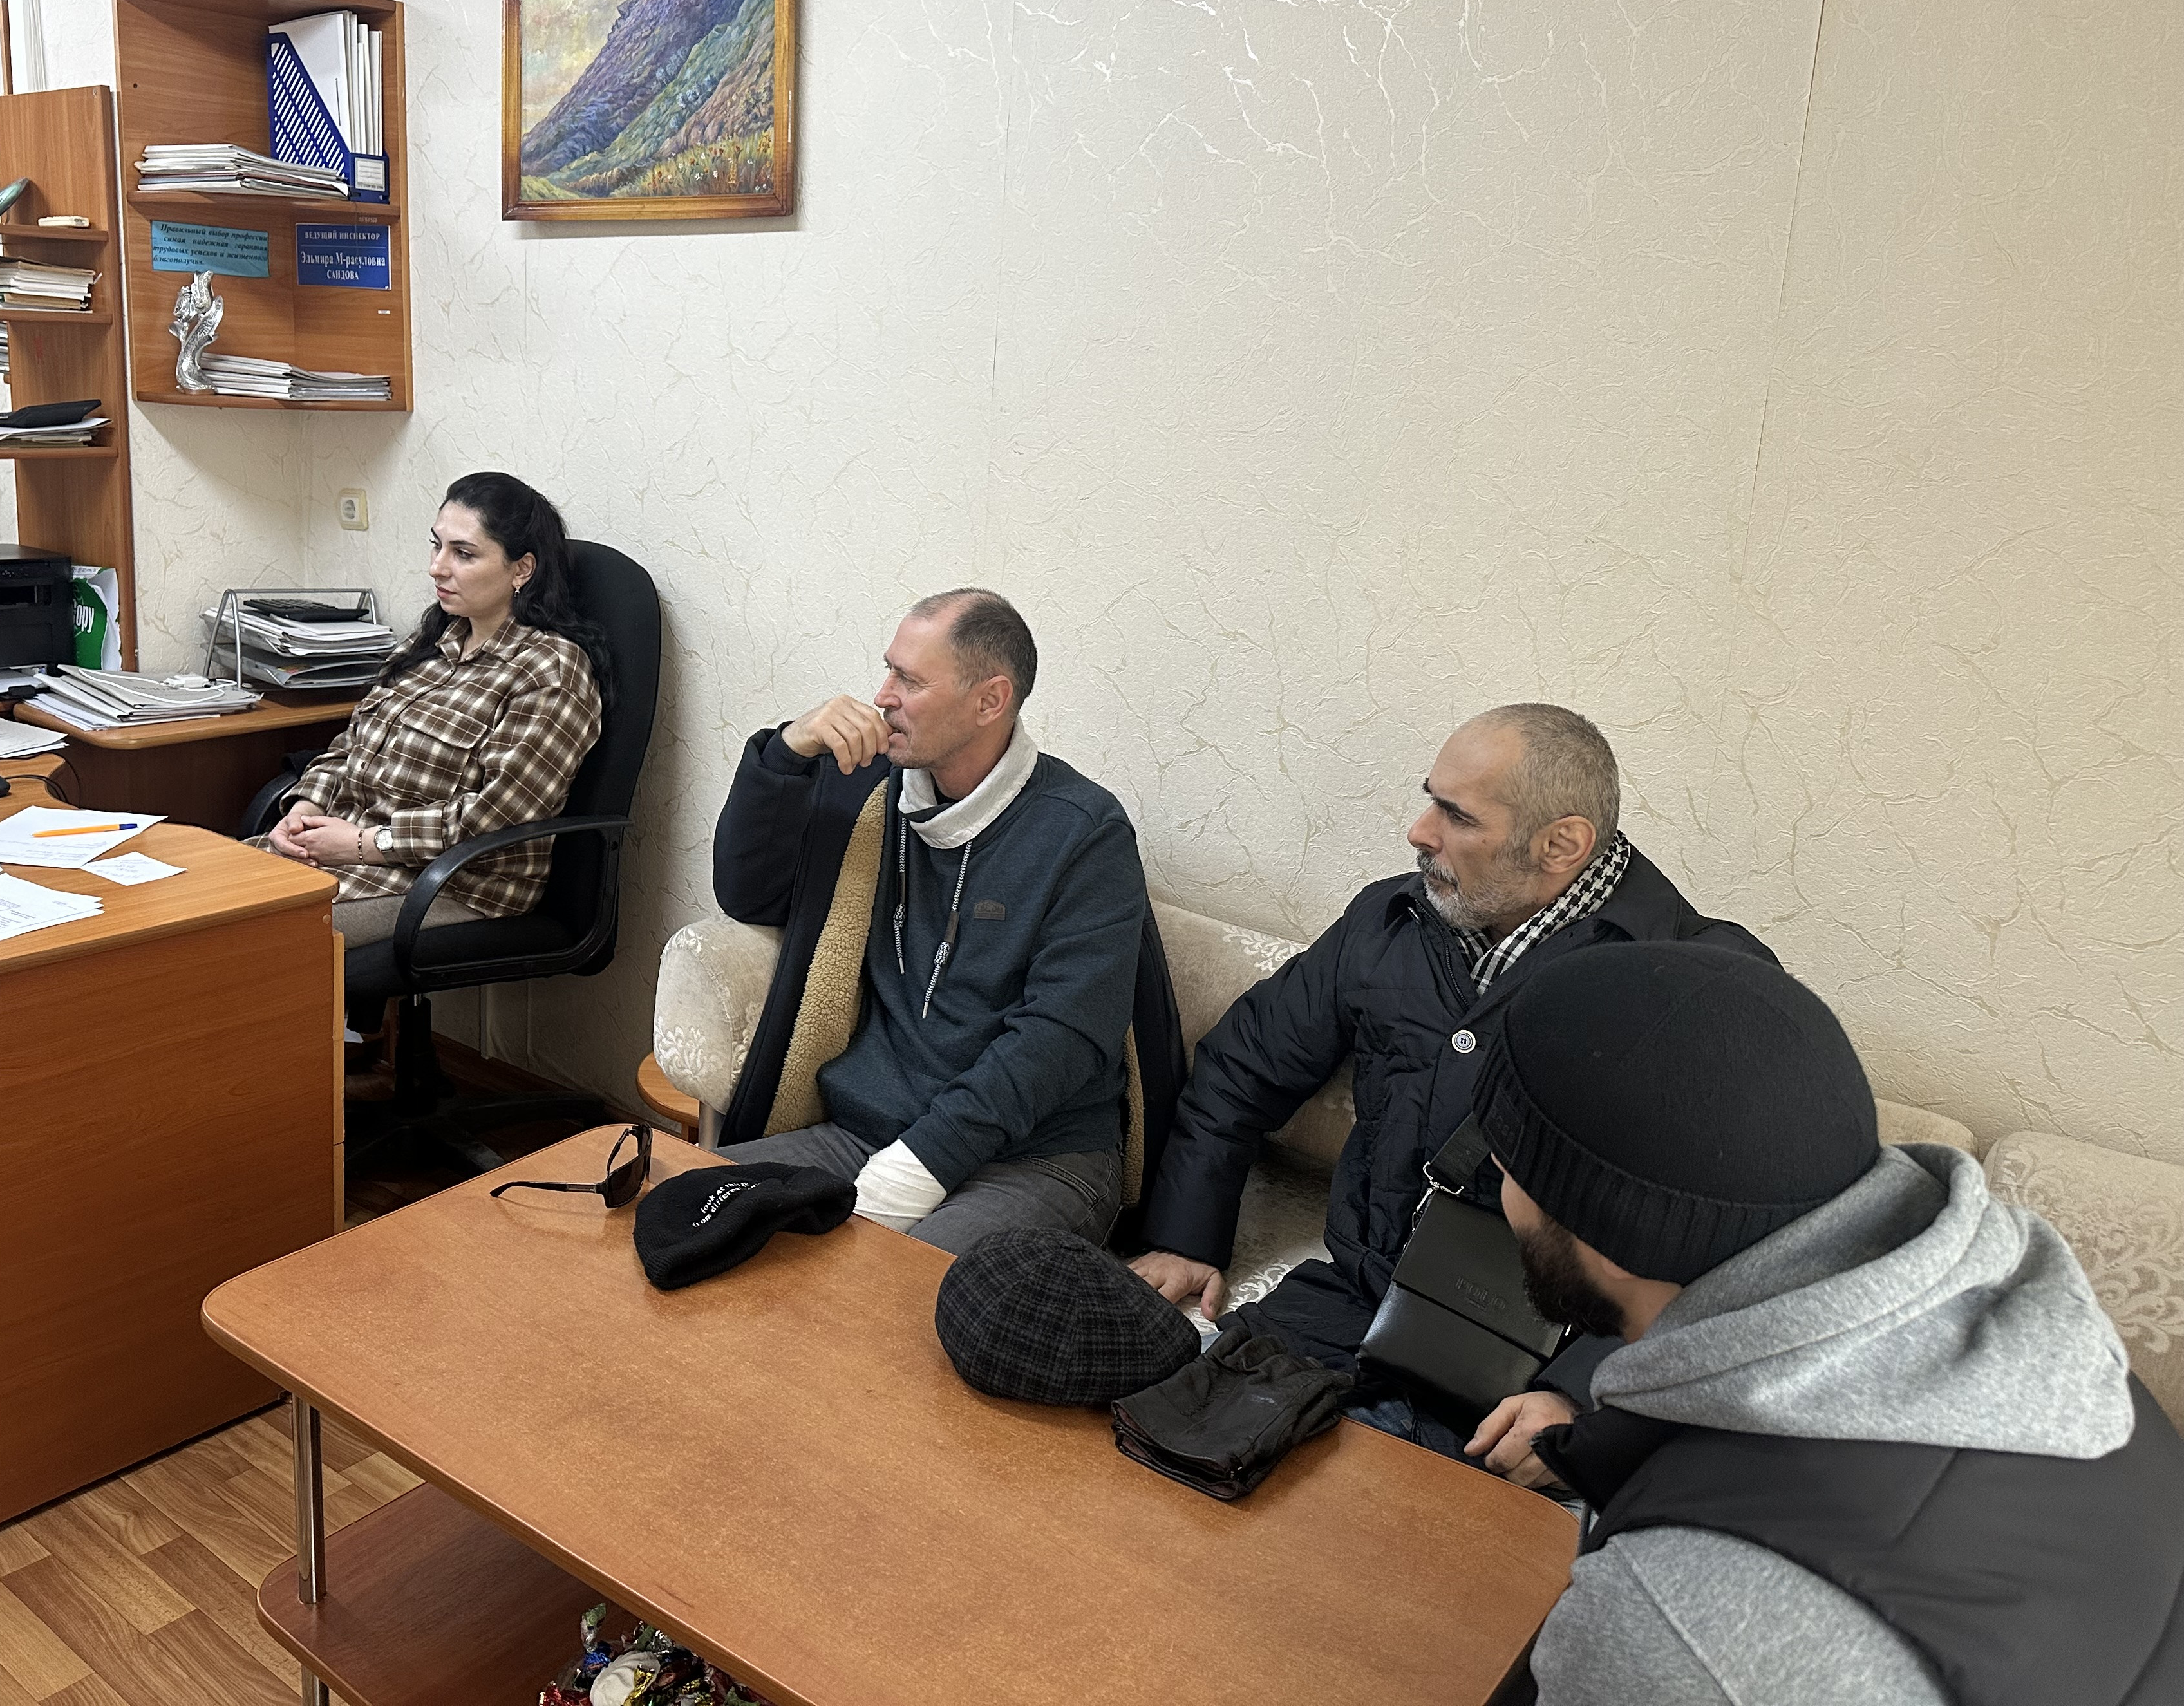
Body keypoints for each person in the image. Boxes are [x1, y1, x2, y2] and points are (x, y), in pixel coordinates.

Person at [1471, 942, 2184, 1706]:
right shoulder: (2069, 1365)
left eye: (1508, 1170)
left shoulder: (1673, 1626)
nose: (1501, 1192)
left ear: (1601, 1238)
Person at [1127, 704, 1774, 1456]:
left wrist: (1582, 1397)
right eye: (1430, 800)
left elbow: (1741, 1233)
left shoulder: (1703, 988)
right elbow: (1241, 1067)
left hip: (1533, 1371)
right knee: (1152, 1444)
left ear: (1561, 844)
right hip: (1348, 1307)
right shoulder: (1390, 921)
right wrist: (1184, 1237)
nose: (1419, 831)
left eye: (1456, 815)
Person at [710, 589, 1181, 1254]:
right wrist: (786, 755)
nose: (882, 696)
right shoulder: (870, 791)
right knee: (686, 1216)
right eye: (888, 670)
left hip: (1035, 1158)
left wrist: (915, 1170)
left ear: (990, 701)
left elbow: (1062, 1038)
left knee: (878, 1297)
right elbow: (747, 896)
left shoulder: (1083, 831)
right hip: (865, 1134)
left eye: (909, 680)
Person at [254, 472, 604, 949]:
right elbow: (351, 746)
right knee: (187, 898)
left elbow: (496, 818)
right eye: (437, 547)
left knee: (240, 939)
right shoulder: (432, 643)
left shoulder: (550, 671)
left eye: (464, 554)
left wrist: (363, 843)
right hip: (344, 854)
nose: (437, 568)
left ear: (522, 570)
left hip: (445, 885)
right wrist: (304, 810)